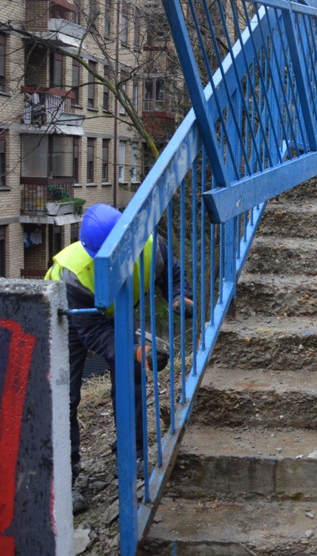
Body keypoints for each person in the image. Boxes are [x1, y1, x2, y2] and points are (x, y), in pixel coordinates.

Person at [45, 203, 192, 515]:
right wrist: (136, 350)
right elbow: (95, 334)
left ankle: (134, 452)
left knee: (131, 378)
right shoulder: (74, 272)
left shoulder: (151, 246)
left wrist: (180, 295)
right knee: (64, 397)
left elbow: (173, 273)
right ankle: (67, 478)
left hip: (115, 312)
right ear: (93, 253)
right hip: (69, 318)